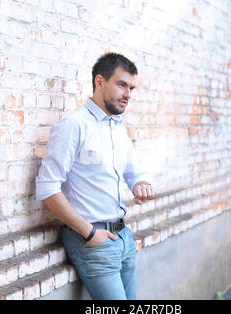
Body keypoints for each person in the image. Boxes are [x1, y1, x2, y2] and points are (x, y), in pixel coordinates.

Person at [35, 52, 154, 300]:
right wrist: (89, 233)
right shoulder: (73, 125)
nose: (128, 94)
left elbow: (132, 170)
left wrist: (140, 183)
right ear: (100, 82)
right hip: (92, 241)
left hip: (123, 238)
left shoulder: (117, 126)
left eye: (131, 88)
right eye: (121, 85)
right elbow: (47, 188)